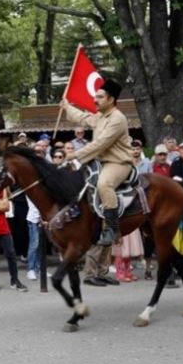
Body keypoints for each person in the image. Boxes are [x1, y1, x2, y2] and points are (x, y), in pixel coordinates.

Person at [61, 78, 132, 246]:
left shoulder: (118, 118)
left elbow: (101, 144)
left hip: (117, 163)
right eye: (96, 96)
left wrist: (75, 155)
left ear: (111, 99)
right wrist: (67, 107)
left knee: (104, 184)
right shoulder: (101, 115)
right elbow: (84, 118)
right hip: (99, 162)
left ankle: (113, 229)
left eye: (100, 97)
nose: (95, 100)